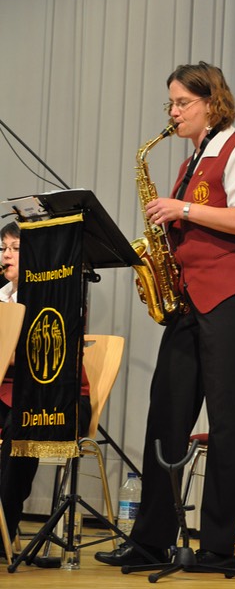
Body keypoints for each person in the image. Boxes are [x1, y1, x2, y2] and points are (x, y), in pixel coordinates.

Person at [95, 61, 235, 569]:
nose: (173, 113)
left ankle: (222, 547)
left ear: (211, 103)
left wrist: (183, 210)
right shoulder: (192, 160)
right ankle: (151, 540)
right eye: (170, 104)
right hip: (192, 300)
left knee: (227, 420)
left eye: (182, 103)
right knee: (166, 415)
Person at [0, 221, 91, 554]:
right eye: (3, 248)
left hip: (56, 393)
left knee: (19, 425)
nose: (7, 255)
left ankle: (4, 529)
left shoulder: (52, 294)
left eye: (16, 249)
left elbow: (30, 356)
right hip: (7, 390)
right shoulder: (2, 298)